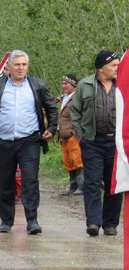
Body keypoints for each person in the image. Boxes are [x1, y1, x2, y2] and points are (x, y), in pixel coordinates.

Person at [0, 50, 57, 234]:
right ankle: (6, 220)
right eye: (17, 65)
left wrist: (51, 129)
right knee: (4, 182)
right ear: (9, 67)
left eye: (24, 65)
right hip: (2, 141)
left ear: (28, 66)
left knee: (29, 180)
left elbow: (51, 108)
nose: (21, 68)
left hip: (29, 140)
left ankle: (32, 220)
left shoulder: (38, 85)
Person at [71, 50, 121, 236]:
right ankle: (93, 222)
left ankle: (110, 224)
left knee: (113, 184)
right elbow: (74, 112)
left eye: (118, 65)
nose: (117, 68)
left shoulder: (124, 84)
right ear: (101, 68)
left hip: (116, 142)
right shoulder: (84, 85)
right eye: (113, 65)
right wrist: (80, 136)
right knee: (92, 182)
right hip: (92, 141)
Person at [57, 73, 83, 196]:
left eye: (66, 83)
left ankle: (81, 187)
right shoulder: (64, 98)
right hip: (64, 135)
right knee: (68, 161)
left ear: (73, 84)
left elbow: (81, 116)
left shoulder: (77, 98)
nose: (64, 86)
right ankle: (73, 187)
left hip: (73, 134)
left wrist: (75, 132)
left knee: (77, 160)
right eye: (62, 83)